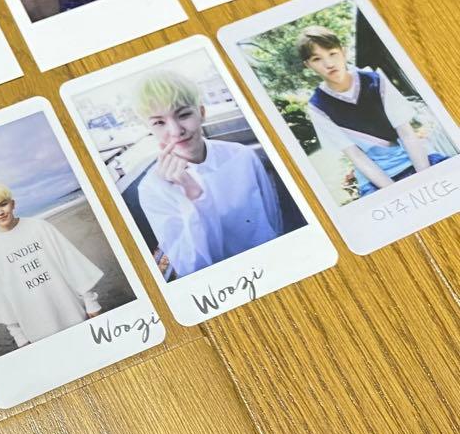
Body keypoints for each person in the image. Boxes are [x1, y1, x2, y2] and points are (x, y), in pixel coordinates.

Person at [134, 69, 284, 278]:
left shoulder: (241, 155)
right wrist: (192, 198)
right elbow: (190, 268)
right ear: (149, 128)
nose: (176, 131)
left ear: (201, 113)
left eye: (183, 115)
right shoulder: (153, 188)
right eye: (159, 122)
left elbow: (273, 217)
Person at [298, 26, 451, 196]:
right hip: (376, 180)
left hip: (418, 160)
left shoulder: (375, 81)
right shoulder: (318, 106)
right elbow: (356, 155)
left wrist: (426, 180)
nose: (329, 64)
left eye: (332, 53)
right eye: (317, 59)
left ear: (343, 52)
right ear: (308, 65)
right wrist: (398, 194)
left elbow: (406, 133)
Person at [0, 183, 104, 348]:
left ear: (13, 204)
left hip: (72, 311)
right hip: (37, 329)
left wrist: (90, 301)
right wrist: (18, 335)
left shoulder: (39, 227)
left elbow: (70, 262)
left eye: (3, 204)